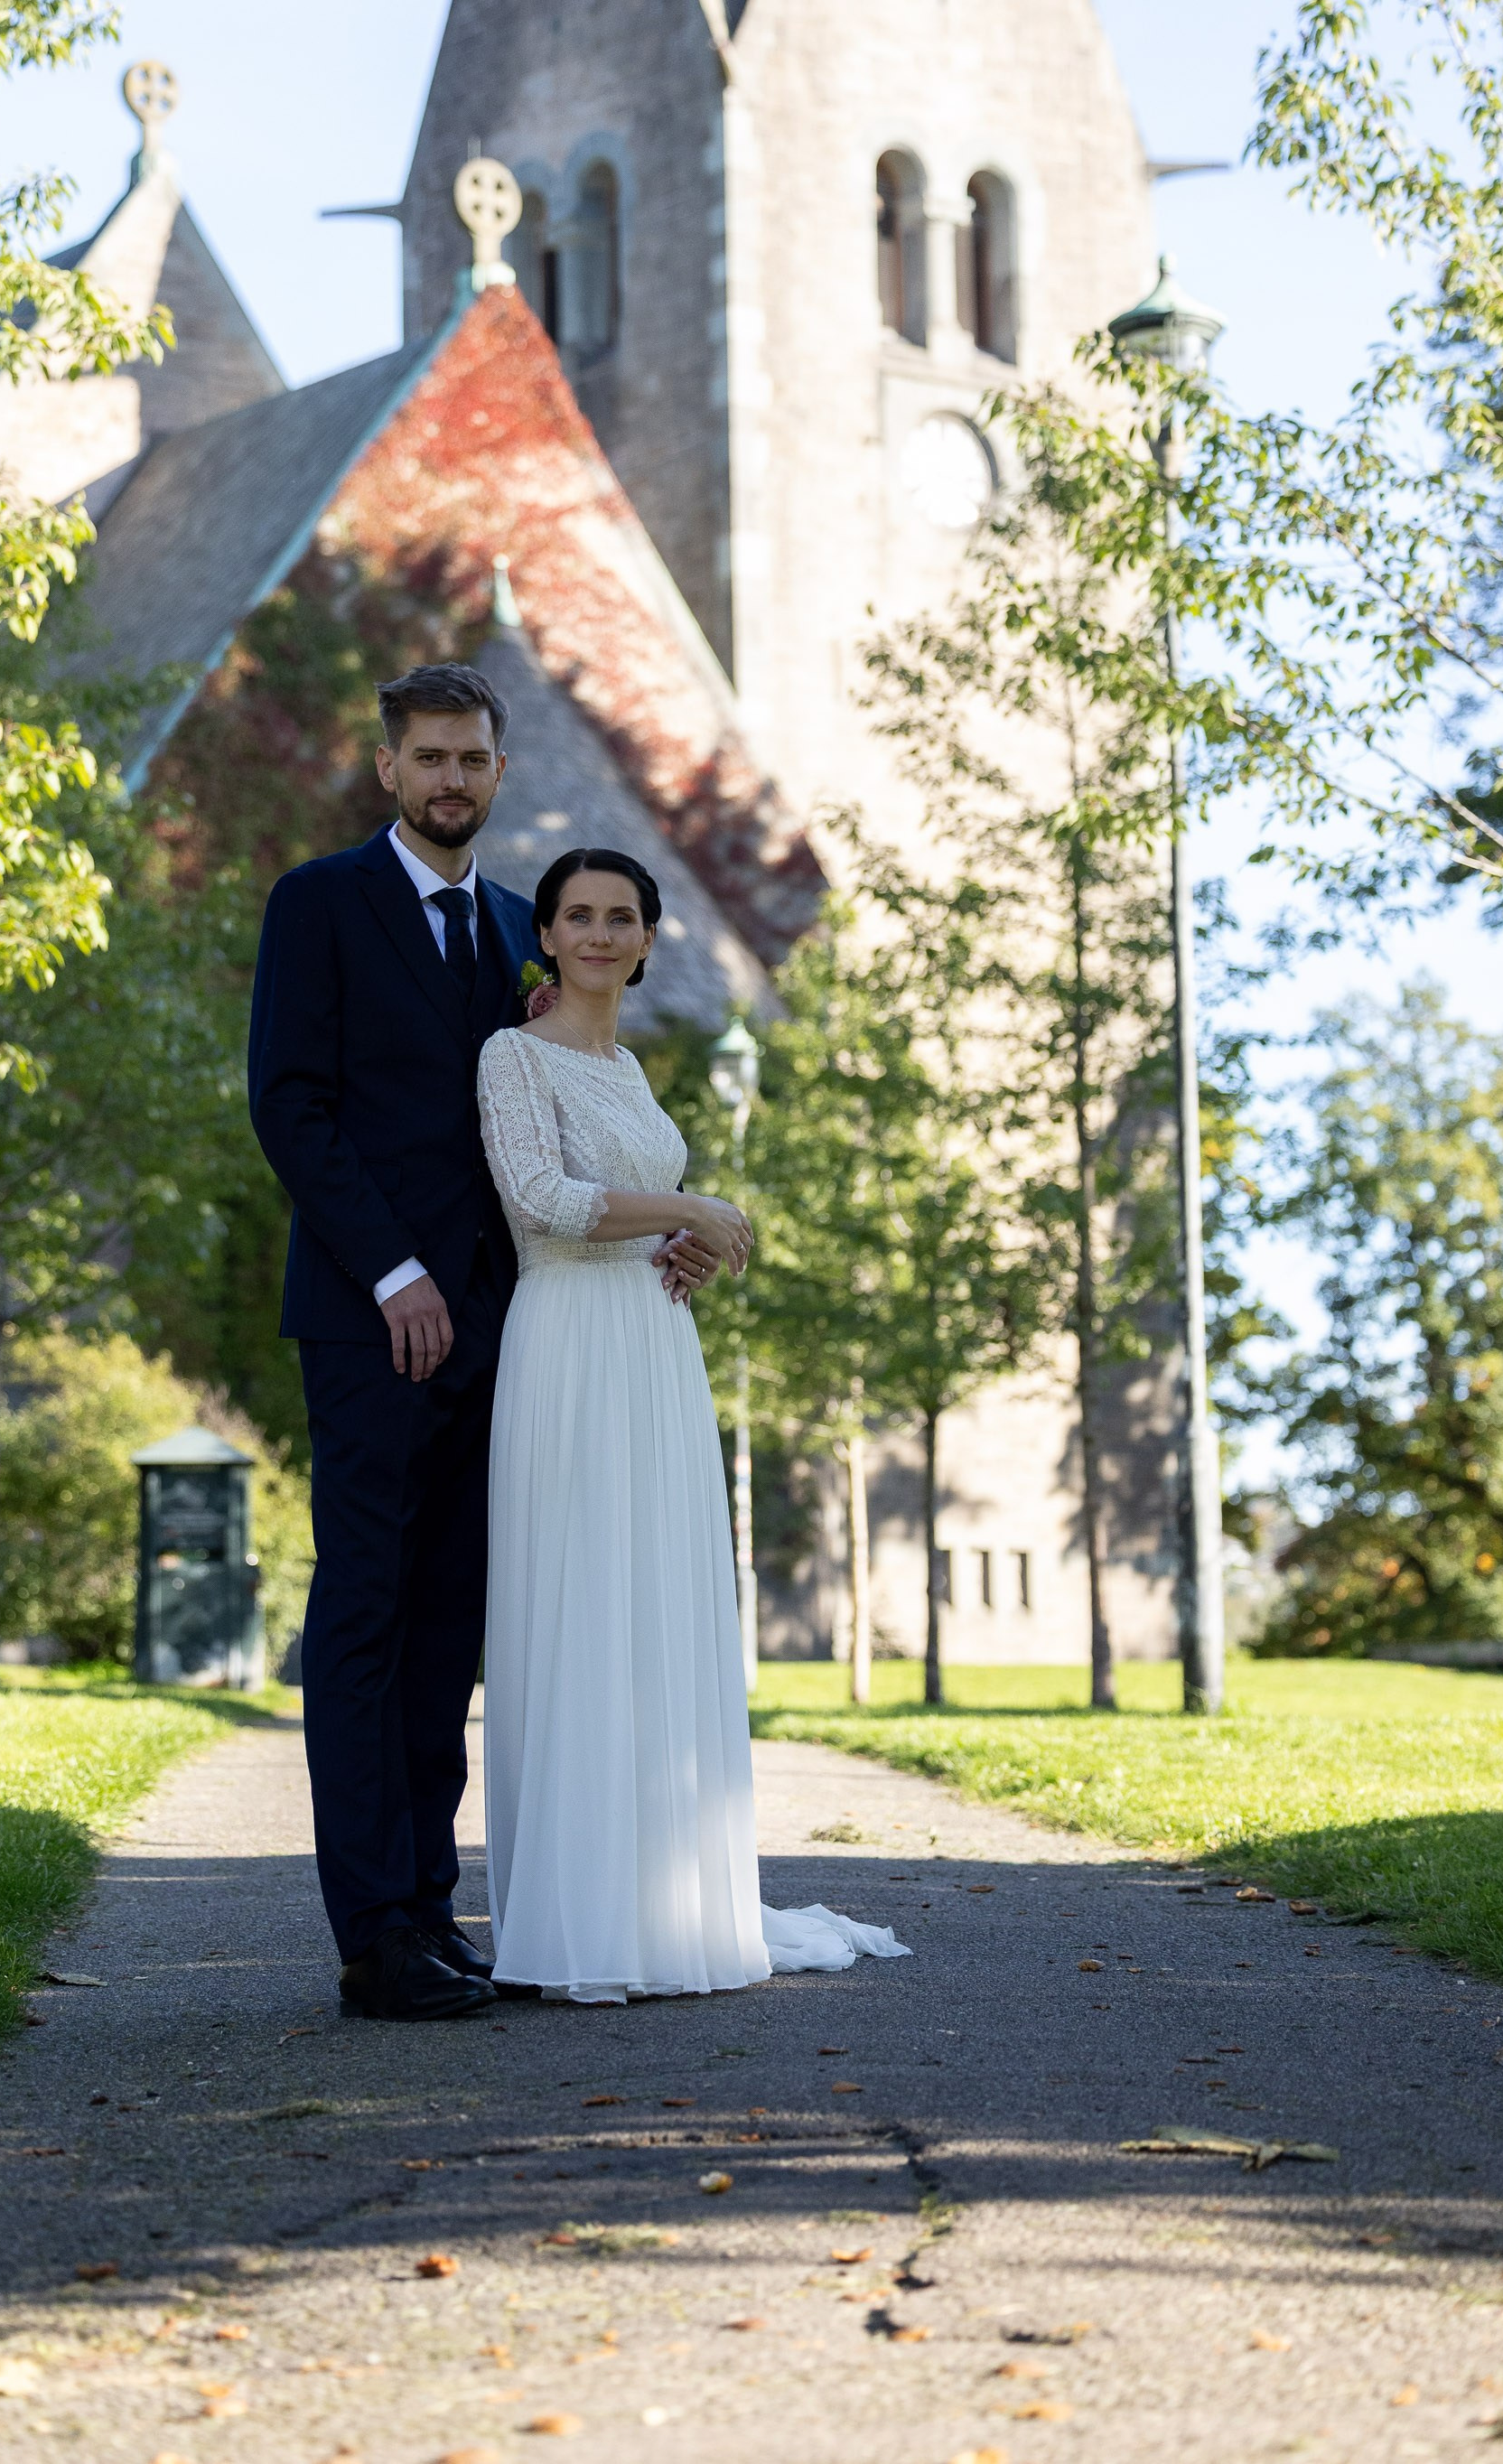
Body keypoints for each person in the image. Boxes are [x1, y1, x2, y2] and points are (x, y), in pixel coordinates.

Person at [248, 667, 717, 2021]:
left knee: (454, 1625)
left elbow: (555, 1134)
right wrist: (393, 1271)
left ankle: (431, 1909)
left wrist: (655, 1233)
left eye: (474, 759)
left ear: (500, 776)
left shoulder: (525, 928)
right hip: (368, 1317)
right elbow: (293, 1109)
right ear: (388, 767)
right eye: (429, 756)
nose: (452, 778)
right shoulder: (319, 905)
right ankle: (369, 1934)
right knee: (368, 1611)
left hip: (511, 1332)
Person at [478, 846, 909, 2002]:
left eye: (623, 917)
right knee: (579, 1604)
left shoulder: (627, 1065)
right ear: (549, 936)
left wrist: (681, 1246)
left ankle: (662, 1887)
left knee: (651, 1604)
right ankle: (578, 1911)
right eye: (579, 916)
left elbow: (615, 1210)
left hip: (654, 1347)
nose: (602, 934)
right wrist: (692, 1206)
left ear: (649, 940)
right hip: (566, 1342)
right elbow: (541, 1200)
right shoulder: (512, 1055)